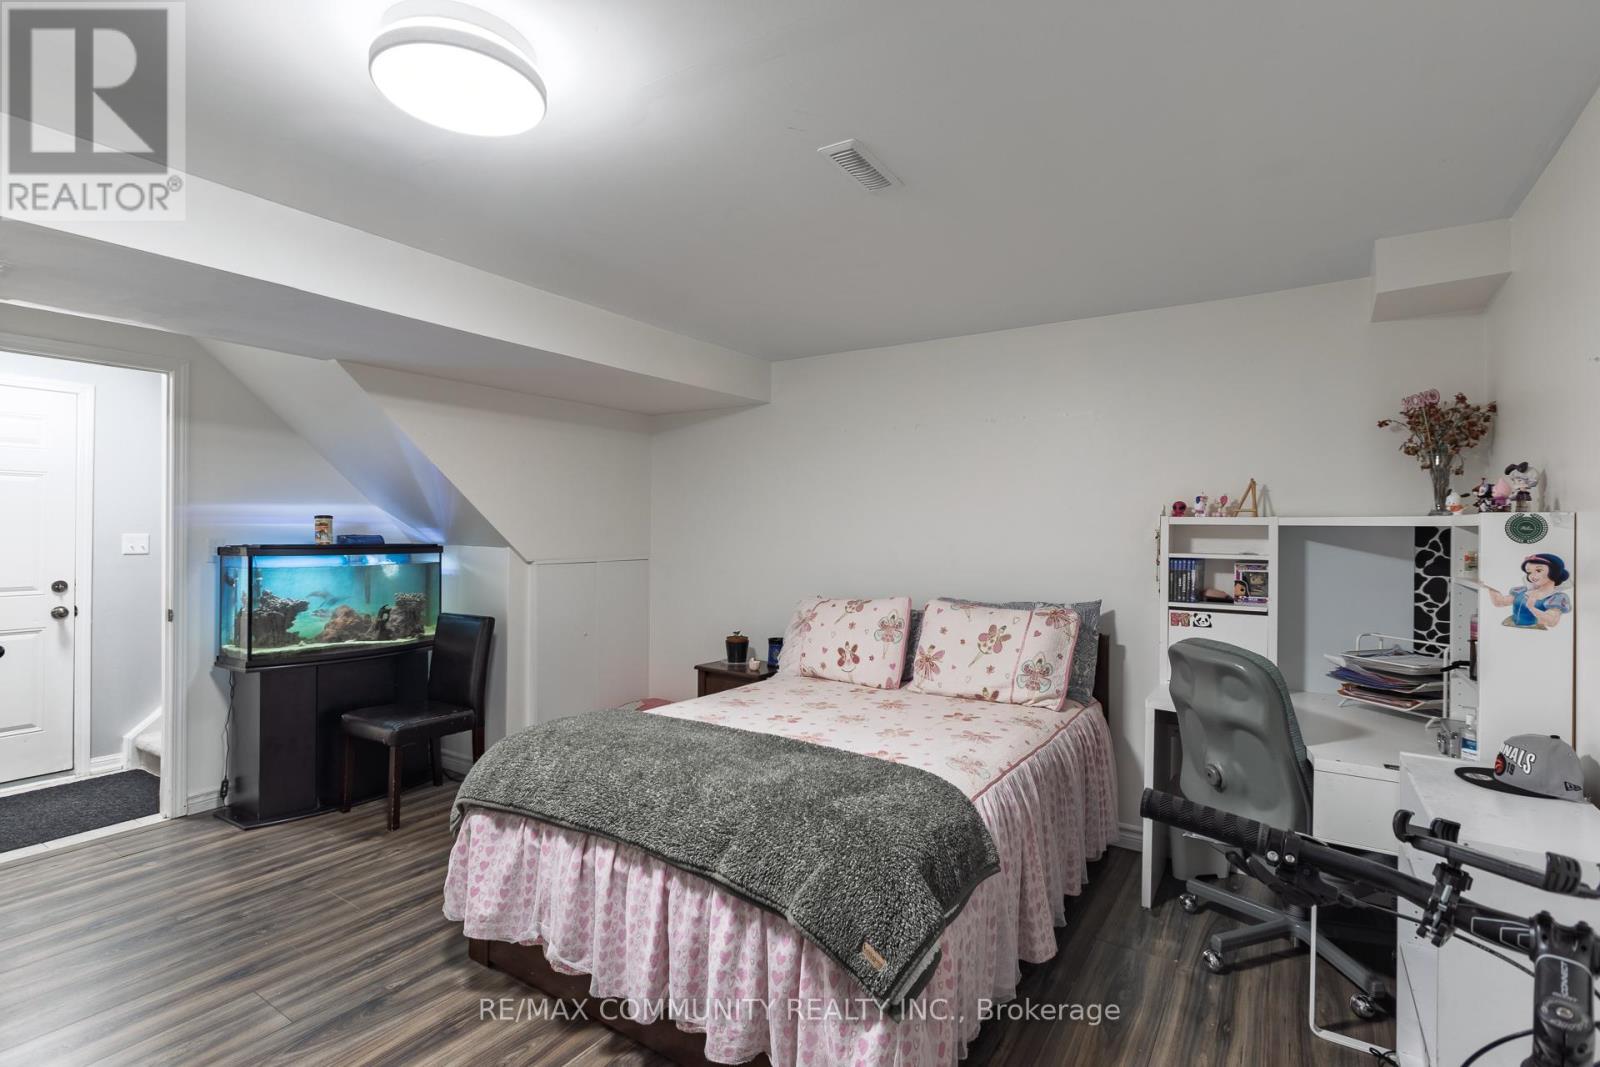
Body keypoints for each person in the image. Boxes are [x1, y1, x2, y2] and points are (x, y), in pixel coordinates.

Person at [1487, 553, 1572, 629]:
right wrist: (1490, 588)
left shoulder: (1557, 598)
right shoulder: (1522, 591)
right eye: (1529, 572)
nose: (1532, 576)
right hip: (1510, 627)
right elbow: (1500, 602)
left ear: (1554, 573)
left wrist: (1532, 608)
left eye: (1538, 570)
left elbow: (1551, 622)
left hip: (1536, 633)